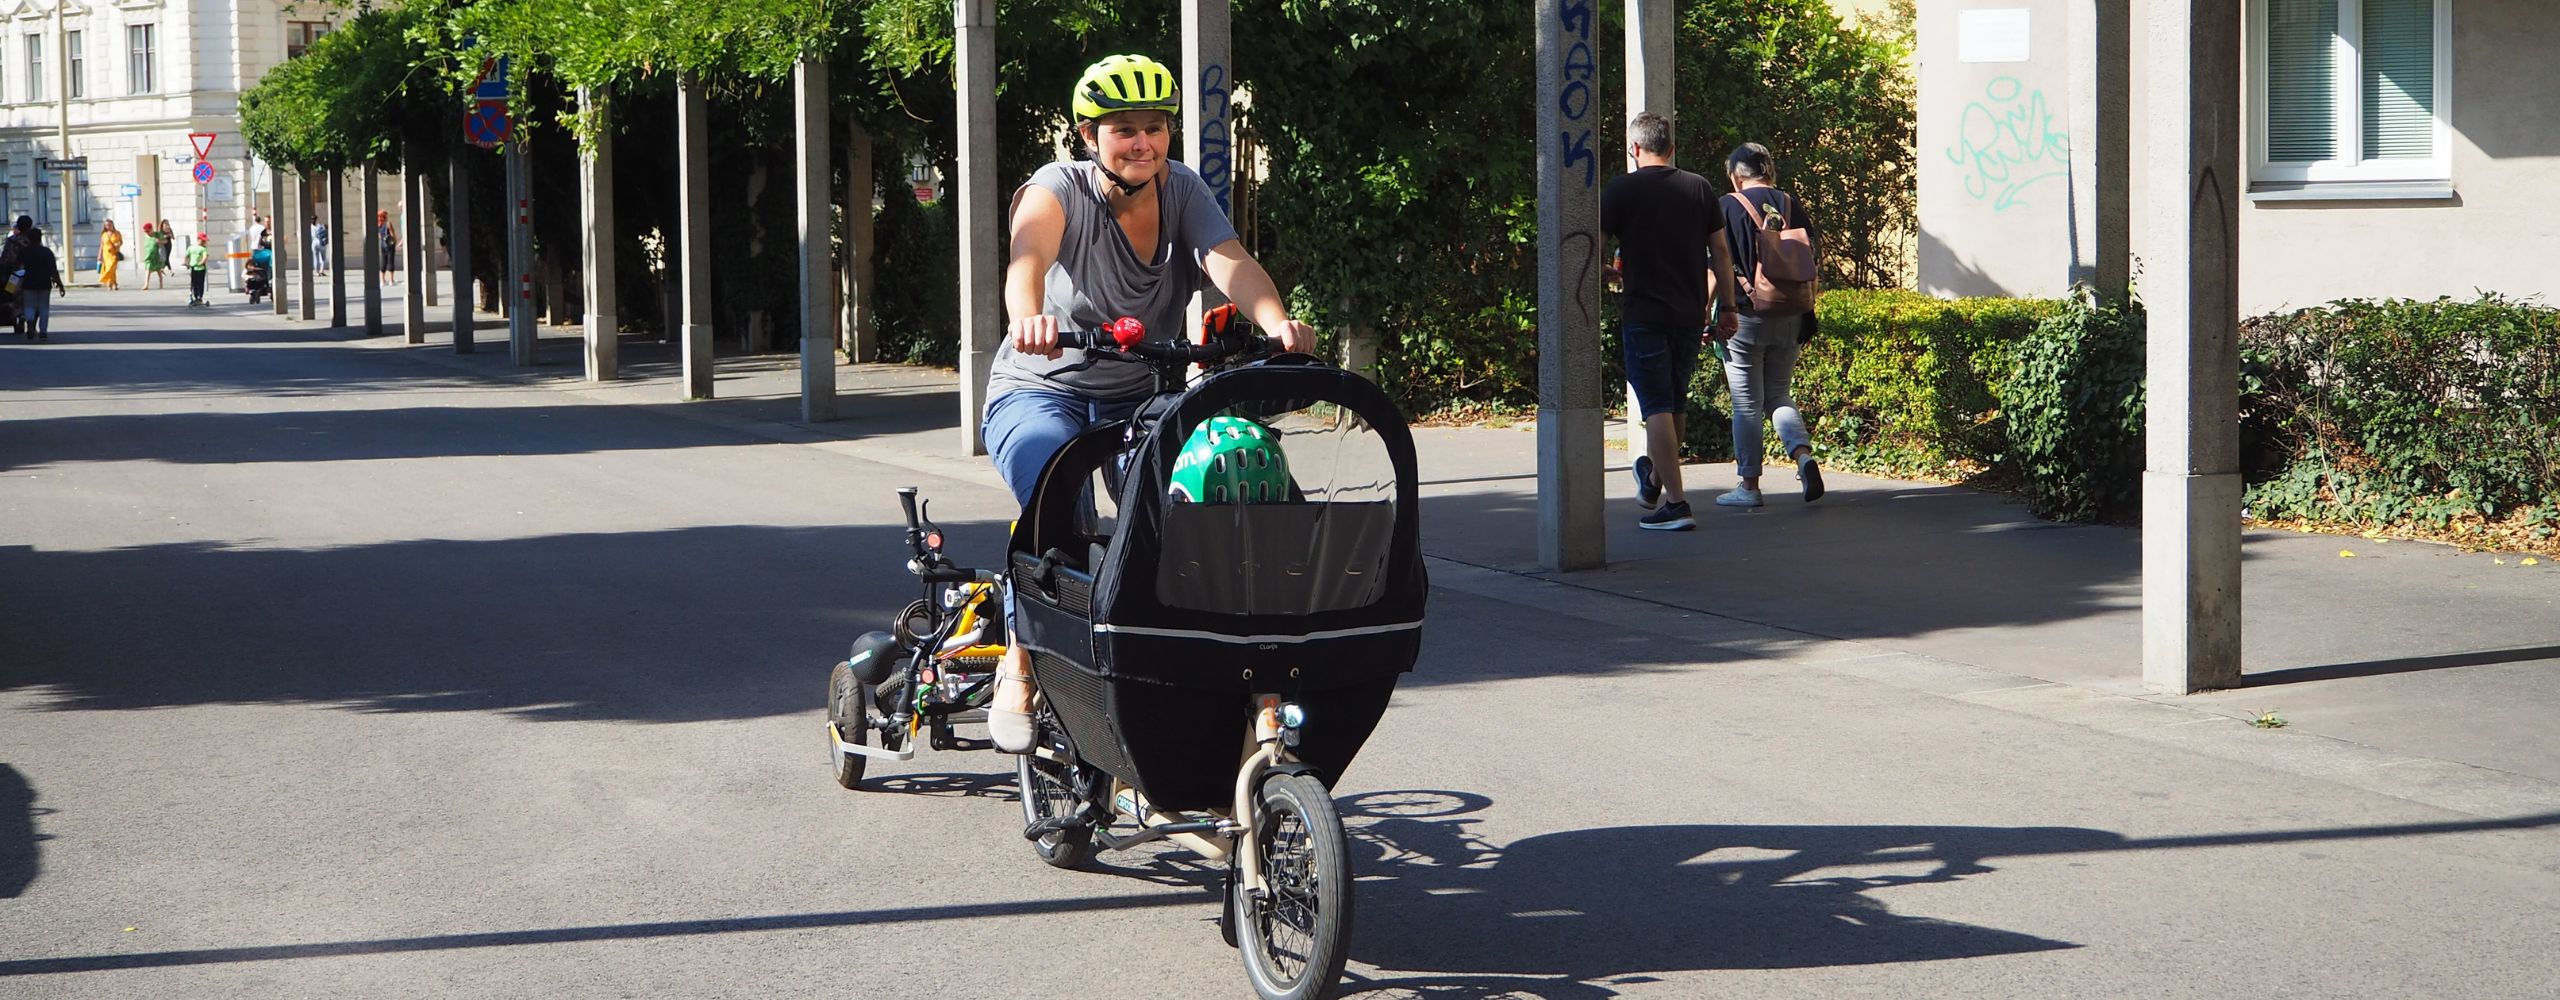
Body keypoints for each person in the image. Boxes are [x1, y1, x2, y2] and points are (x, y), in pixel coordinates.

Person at [979, 53, 1316, 752]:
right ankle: (1021, 659)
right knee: (1056, 496)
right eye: (1124, 129)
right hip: (1043, 388)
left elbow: (1230, 261)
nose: (1142, 143)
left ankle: (1215, 676)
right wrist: (1028, 316)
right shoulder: (1058, 188)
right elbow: (1027, 259)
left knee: (1200, 504)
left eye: (1155, 128)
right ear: (1087, 134)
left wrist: (1275, 321)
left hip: (1140, 393)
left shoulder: (1182, 190)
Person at [1600, 112, 1738, 532]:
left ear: (1634, 149)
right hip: (1688, 311)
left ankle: (1676, 503)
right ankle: (1655, 480)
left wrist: (1603, 272)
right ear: (1671, 148)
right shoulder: (1698, 187)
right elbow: (1721, 252)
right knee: (1674, 400)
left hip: (1644, 311)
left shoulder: (1622, 189)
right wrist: (1727, 307)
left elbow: (1594, 245)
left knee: (1657, 405)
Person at [1713, 142, 1824, 507]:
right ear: (1770, 173)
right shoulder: (1791, 204)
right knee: (1778, 394)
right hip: (1791, 313)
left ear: (1735, 175)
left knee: (1746, 404)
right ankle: (1803, 456)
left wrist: (1706, 311)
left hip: (1745, 316)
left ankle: (1749, 487)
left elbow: (1716, 265)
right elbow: (1811, 261)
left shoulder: (1726, 206)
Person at [14, 227, 66, 341]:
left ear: (29, 238)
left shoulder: (24, 252)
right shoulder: (47, 252)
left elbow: (16, 266)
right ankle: (43, 332)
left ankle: (30, 322)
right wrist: (60, 284)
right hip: (44, 283)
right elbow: (53, 270)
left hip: (28, 282)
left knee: (29, 305)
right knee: (44, 307)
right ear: (40, 238)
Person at [185, 232, 212, 307]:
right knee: (194, 283)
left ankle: (200, 297)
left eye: (205, 241)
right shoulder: (191, 248)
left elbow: (205, 257)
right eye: (203, 241)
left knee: (200, 283)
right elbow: (187, 255)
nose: (204, 242)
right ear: (198, 239)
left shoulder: (203, 249)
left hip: (201, 268)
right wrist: (186, 263)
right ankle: (195, 296)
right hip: (193, 268)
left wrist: (201, 262)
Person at [98, 220, 123, 291]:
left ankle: (108, 282)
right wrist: (99, 255)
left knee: (111, 268)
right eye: (106, 225)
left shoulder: (117, 233)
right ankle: (113, 284)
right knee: (112, 270)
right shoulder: (104, 235)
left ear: (112, 225)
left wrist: (118, 244)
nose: (108, 226)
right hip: (106, 254)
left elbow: (121, 242)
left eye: (109, 225)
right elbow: (102, 245)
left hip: (114, 253)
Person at [141, 222, 168, 289]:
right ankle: (146, 285)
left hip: (157, 256)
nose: (147, 232)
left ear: (151, 229)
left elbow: (165, 241)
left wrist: (159, 241)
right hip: (149, 256)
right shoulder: (146, 236)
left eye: (148, 231)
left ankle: (161, 284)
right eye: (145, 231)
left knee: (158, 270)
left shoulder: (157, 234)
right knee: (148, 270)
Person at [377, 211, 399, 287]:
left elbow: (379, 236)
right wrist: (395, 242)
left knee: (383, 261)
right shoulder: (388, 223)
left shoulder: (378, 224)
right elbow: (392, 234)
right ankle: (391, 280)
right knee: (390, 261)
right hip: (390, 244)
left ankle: (382, 281)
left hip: (383, 245)